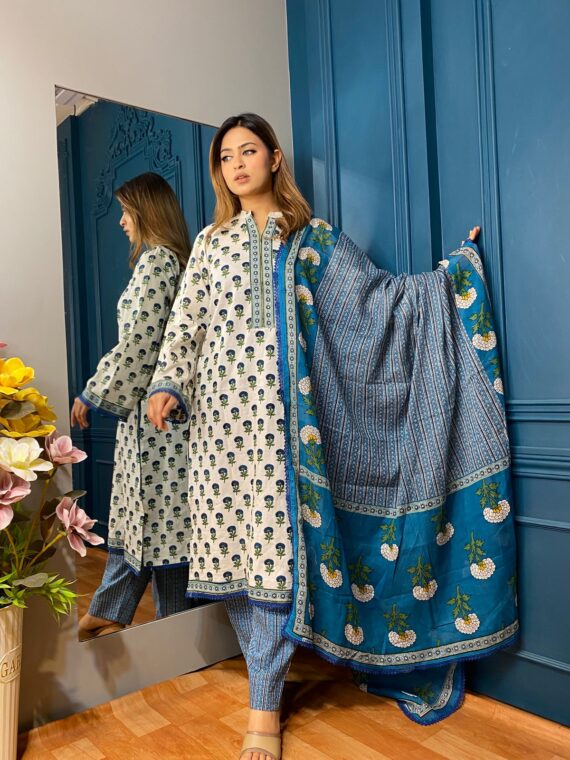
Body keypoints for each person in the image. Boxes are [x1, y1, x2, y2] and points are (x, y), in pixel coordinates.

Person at [147, 114, 517, 756]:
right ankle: (263, 685)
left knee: (276, 566)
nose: (237, 166)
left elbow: (379, 304)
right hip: (218, 431)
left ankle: (263, 709)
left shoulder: (312, 239)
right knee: (233, 565)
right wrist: (167, 384)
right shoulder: (209, 243)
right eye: (226, 157)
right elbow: (186, 324)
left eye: (248, 151)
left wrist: (451, 278)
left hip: (285, 433)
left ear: (275, 158)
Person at [72, 171, 194, 639]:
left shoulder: (158, 261)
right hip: (158, 419)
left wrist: (92, 391)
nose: (122, 221)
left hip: (156, 421)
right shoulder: (172, 262)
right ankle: (163, 625)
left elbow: (139, 342)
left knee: (155, 523)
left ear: (147, 212)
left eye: (127, 212)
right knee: (159, 525)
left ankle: (160, 626)